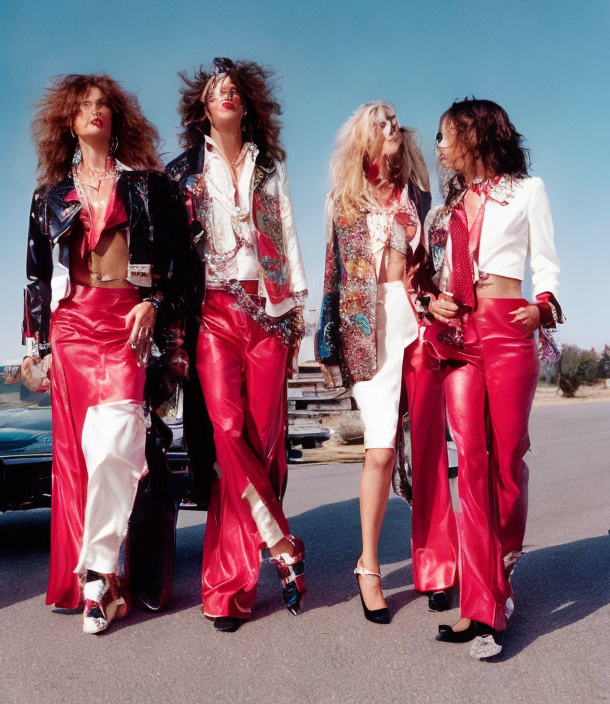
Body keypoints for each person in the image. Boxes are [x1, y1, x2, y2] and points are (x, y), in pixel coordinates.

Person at [22, 74, 183, 634]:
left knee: (117, 442)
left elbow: (173, 262)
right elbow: (36, 279)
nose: (95, 112)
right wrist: (35, 347)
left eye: (104, 106)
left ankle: (99, 571)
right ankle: (96, 587)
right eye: (84, 106)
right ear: (69, 120)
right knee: (78, 458)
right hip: (73, 327)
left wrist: (153, 303)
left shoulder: (144, 187)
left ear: (117, 119)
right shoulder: (49, 197)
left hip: (126, 323)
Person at [167, 58, 308, 633]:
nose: (225, 95)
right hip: (215, 314)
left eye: (233, 89)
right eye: (214, 90)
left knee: (262, 444)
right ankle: (281, 546)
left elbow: (289, 239)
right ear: (202, 107)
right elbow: (176, 259)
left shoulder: (269, 168)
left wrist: (297, 318)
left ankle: (230, 589)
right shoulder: (183, 173)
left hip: (269, 313)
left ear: (246, 103)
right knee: (226, 434)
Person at [423, 98, 561, 658]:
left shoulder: (528, 190)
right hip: (460, 338)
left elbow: (546, 261)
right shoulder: (445, 209)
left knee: (507, 462)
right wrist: (434, 303)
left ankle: (503, 565)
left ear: (476, 134)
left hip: (507, 328)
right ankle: (482, 609)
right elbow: (429, 277)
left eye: (445, 134)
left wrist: (544, 305)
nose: (438, 146)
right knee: (471, 464)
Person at [315, 102, 431, 624]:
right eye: (381, 124)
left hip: (420, 324)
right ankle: (368, 565)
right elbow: (332, 278)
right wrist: (326, 346)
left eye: (394, 124)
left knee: (428, 448)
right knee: (380, 451)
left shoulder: (418, 195)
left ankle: (438, 565)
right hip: (370, 333)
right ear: (364, 138)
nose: (392, 129)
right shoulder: (343, 202)